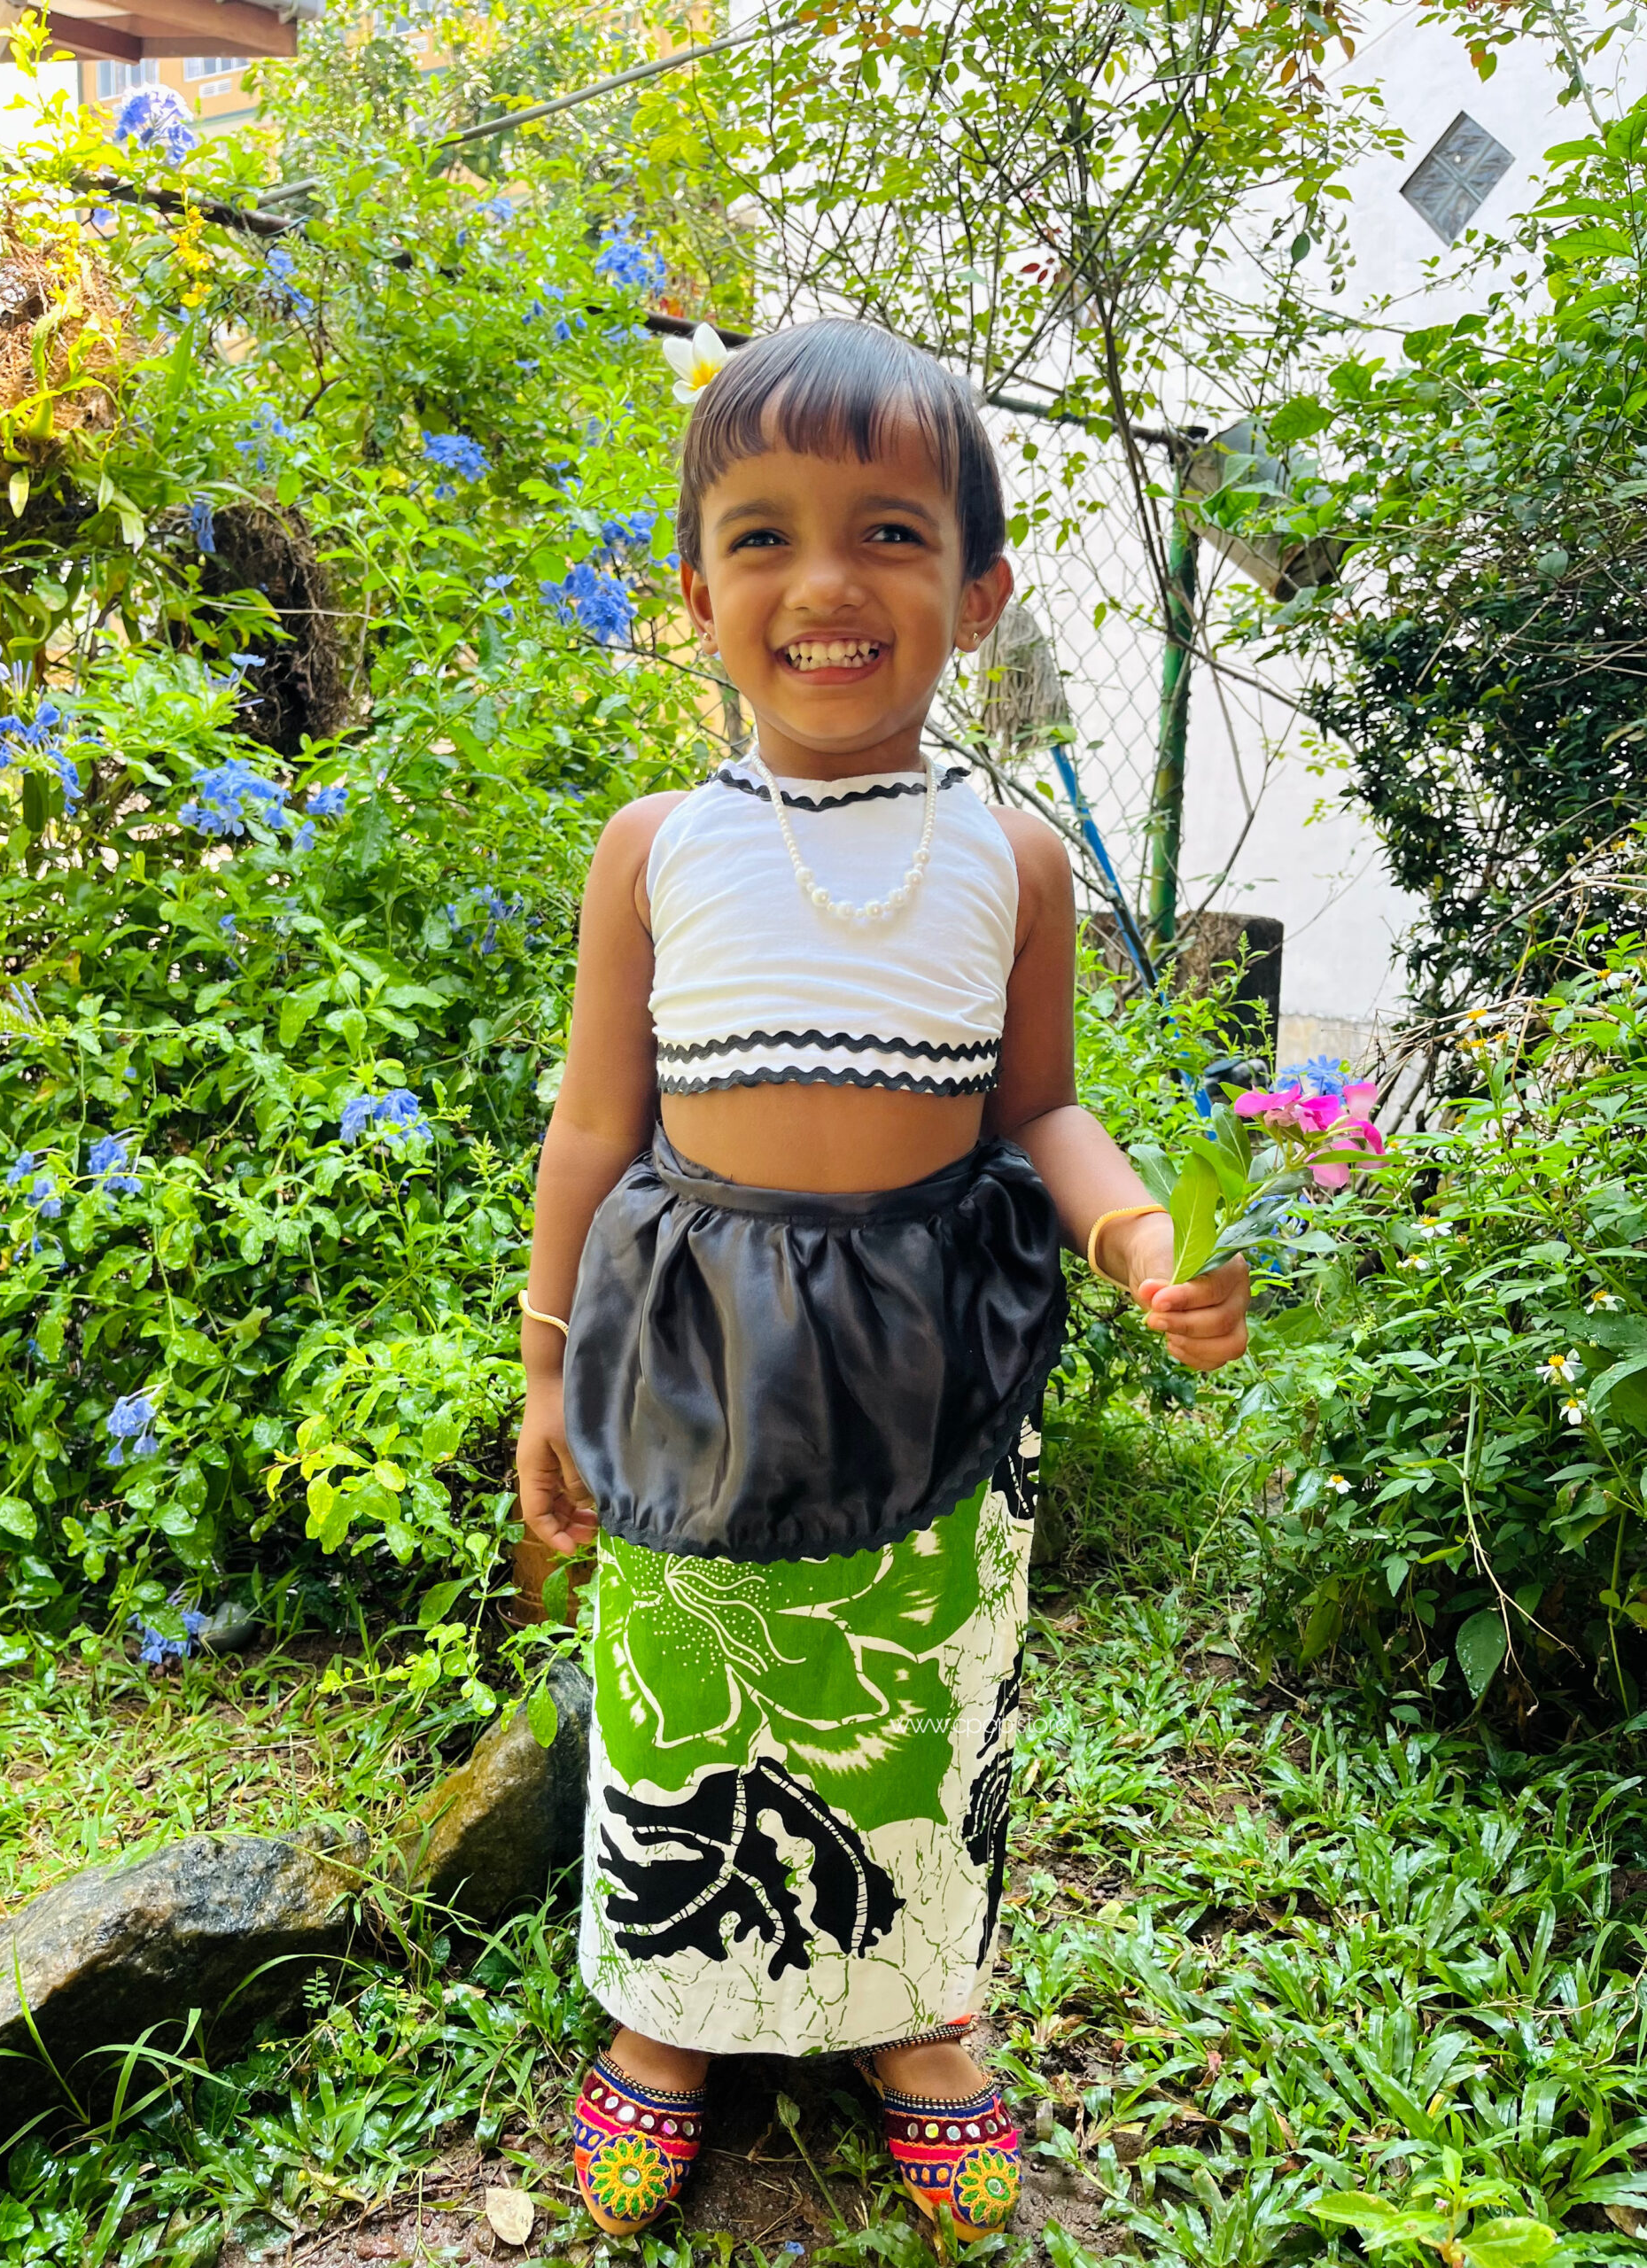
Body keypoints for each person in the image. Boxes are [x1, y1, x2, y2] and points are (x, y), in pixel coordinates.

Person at [515, 316, 1249, 2242]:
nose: (825, 583)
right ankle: (668, 2013)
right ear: (697, 597)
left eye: (891, 534)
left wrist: (1141, 1238)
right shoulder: (655, 849)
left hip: (939, 1343)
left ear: (980, 594)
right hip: (694, 1349)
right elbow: (592, 1130)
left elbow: (1044, 1109)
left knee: (930, 1690)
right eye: (761, 536)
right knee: (683, 1691)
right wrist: (544, 1370)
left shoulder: (1012, 856)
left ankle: (918, 2008)